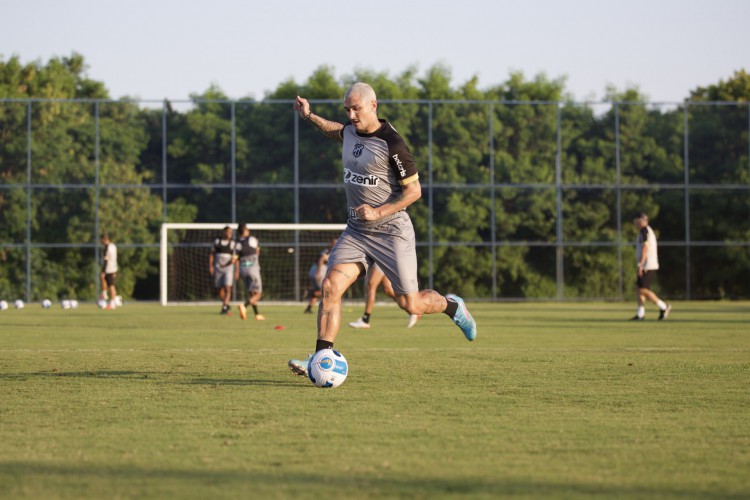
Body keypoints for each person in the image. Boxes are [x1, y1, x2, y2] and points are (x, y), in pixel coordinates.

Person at [288, 82, 476, 377]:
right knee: (330, 287)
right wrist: (310, 116)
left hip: (392, 232)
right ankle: (321, 358)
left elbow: (414, 192)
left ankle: (452, 306)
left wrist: (378, 211)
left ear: (373, 105)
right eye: (347, 109)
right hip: (357, 231)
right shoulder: (350, 131)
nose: (351, 115)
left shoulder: (392, 143)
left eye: (356, 108)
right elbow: (334, 130)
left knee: (410, 304)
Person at [349, 263, 420, 329]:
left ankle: (365, 320)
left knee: (370, 285)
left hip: (380, 256)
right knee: (388, 289)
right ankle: (412, 310)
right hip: (380, 257)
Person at [631, 212, 672, 321]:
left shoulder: (644, 230)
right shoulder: (645, 231)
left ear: (642, 220)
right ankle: (640, 314)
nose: (636, 222)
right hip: (646, 264)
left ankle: (663, 307)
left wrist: (641, 264)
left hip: (647, 265)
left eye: (637, 220)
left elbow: (645, 247)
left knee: (643, 289)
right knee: (639, 288)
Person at [235, 223, 265, 320]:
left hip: (243, 269)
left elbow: (235, 258)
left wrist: (236, 271)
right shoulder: (252, 239)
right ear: (244, 231)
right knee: (258, 293)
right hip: (253, 268)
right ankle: (244, 306)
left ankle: (257, 314)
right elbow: (257, 251)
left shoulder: (237, 243)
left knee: (251, 292)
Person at [209, 225, 238, 315]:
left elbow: (236, 258)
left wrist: (237, 270)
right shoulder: (217, 241)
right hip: (218, 267)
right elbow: (212, 254)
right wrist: (211, 266)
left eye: (231, 232)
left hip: (228, 268)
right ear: (224, 232)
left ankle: (224, 307)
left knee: (227, 287)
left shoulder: (233, 244)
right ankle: (226, 304)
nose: (229, 234)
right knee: (219, 289)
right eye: (228, 232)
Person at [304, 238, 337, 314]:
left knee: (320, 290)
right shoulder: (329, 251)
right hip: (320, 270)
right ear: (330, 243)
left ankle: (308, 308)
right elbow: (321, 259)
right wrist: (318, 272)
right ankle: (310, 292)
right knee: (326, 291)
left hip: (314, 269)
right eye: (334, 243)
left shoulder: (326, 250)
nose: (336, 244)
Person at [100, 234, 118, 310]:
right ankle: (105, 295)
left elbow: (106, 259)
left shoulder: (107, 248)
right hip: (113, 267)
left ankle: (111, 301)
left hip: (108, 268)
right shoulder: (113, 246)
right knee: (110, 284)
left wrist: (103, 271)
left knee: (111, 285)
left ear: (104, 239)